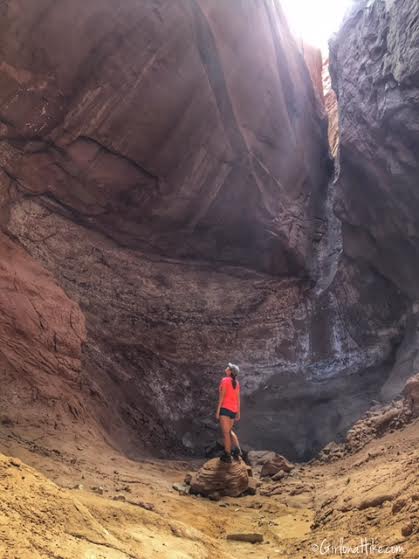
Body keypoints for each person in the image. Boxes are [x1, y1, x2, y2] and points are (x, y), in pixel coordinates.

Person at [215, 363, 242, 463]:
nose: (226, 368)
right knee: (229, 431)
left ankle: (227, 455)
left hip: (225, 409)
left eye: (228, 367)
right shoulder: (237, 383)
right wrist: (238, 412)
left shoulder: (225, 380)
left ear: (230, 371)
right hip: (233, 410)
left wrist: (218, 411)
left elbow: (221, 397)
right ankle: (237, 450)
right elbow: (238, 399)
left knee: (226, 433)